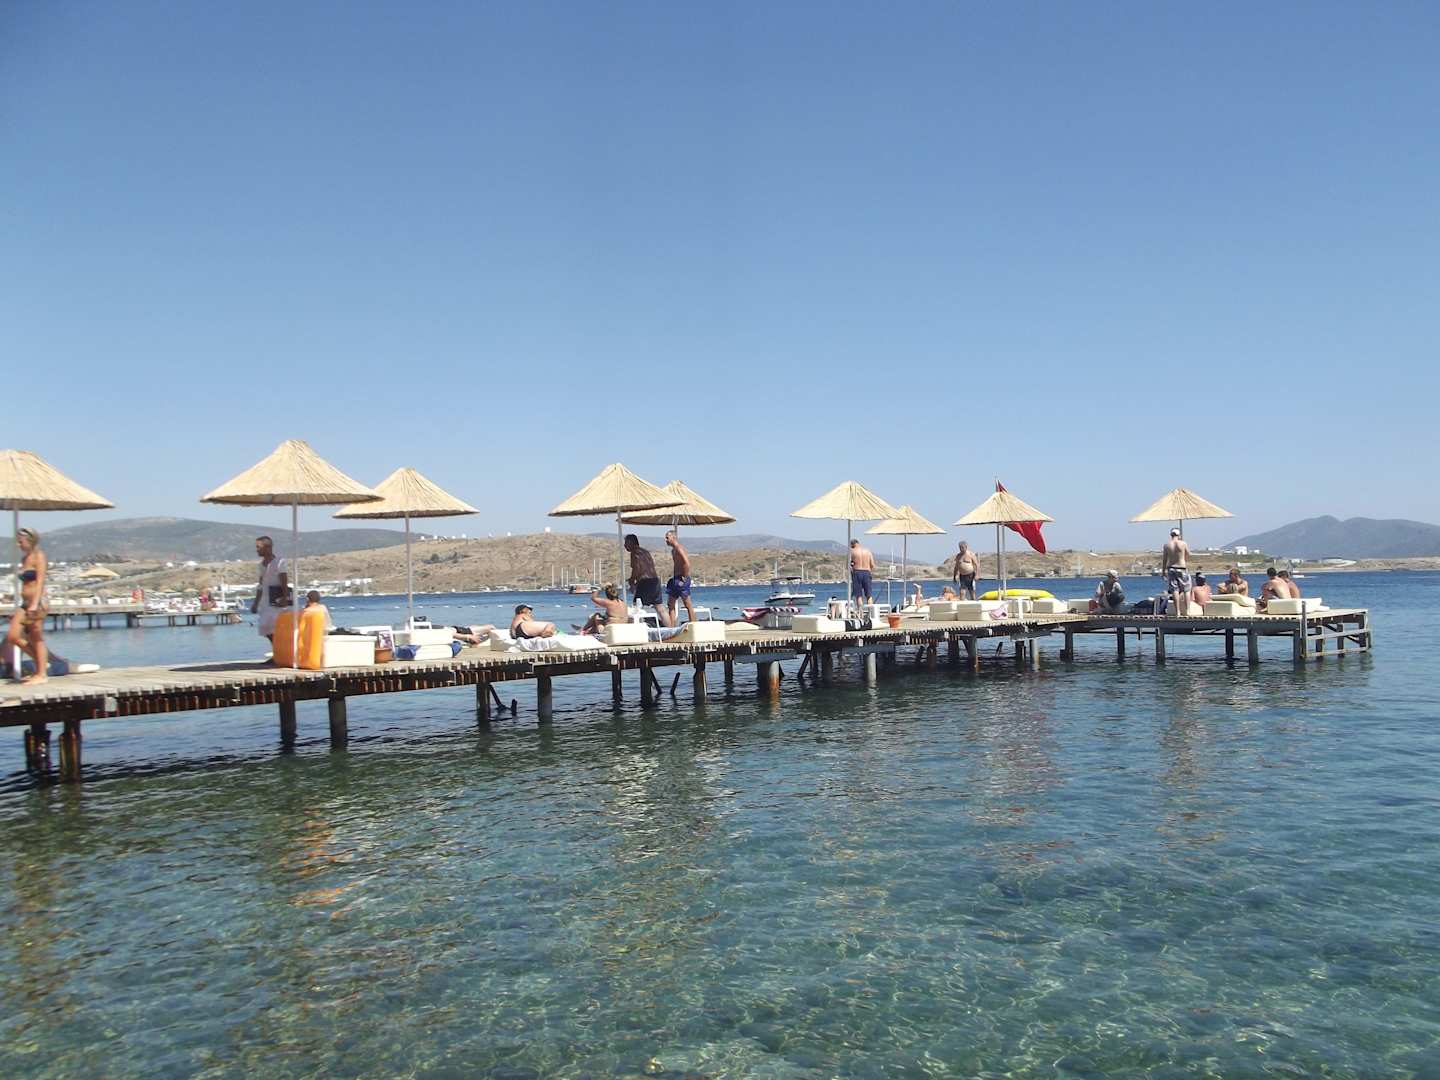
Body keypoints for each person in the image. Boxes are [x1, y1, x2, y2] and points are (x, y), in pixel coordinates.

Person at [6, 528, 49, 684]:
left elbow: (40, 582)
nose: (18, 545)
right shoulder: (24, 559)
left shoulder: (39, 556)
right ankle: (41, 663)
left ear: (30, 540)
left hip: (37, 602)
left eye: (21, 542)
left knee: (36, 637)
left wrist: (34, 604)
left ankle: (41, 674)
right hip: (24, 603)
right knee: (13, 636)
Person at [624, 534, 671, 627]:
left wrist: (632, 580)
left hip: (645, 582)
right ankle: (670, 629)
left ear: (632, 543)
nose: (625, 546)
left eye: (626, 543)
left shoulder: (635, 553)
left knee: (636, 606)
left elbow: (637, 568)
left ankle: (635, 628)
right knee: (660, 607)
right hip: (655, 580)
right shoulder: (645, 552)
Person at [251, 535, 289, 642]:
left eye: (258, 547)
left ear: (267, 547)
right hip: (265, 602)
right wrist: (255, 603)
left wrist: (285, 598)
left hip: (276, 600)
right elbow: (261, 585)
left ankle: (280, 649)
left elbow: (284, 581)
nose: (257, 550)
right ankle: (276, 649)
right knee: (267, 629)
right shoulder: (261, 565)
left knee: (277, 628)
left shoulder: (279, 562)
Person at [664, 530, 695, 625]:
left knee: (687, 604)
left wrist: (684, 577)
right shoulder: (673, 550)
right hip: (675, 579)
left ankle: (694, 625)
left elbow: (687, 563)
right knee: (670, 604)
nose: (666, 540)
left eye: (667, 538)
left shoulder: (679, 548)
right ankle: (672, 627)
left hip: (681, 579)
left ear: (673, 537)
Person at [1161, 528, 1191, 616]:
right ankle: (1188, 610)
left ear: (1171, 535)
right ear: (1179, 535)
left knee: (1175, 590)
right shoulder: (1183, 543)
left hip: (1171, 568)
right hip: (1182, 567)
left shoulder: (1167, 545)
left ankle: (1177, 611)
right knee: (1186, 589)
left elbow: (1164, 559)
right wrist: (1184, 559)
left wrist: (1163, 571)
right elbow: (1188, 554)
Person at [850, 539, 875, 606]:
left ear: (852, 545)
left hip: (857, 572)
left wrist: (852, 572)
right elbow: (872, 564)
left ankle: (860, 612)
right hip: (867, 572)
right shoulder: (868, 551)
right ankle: (870, 611)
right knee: (869, 595)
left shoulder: (852, 552)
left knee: (858, 595)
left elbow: (850, 565)